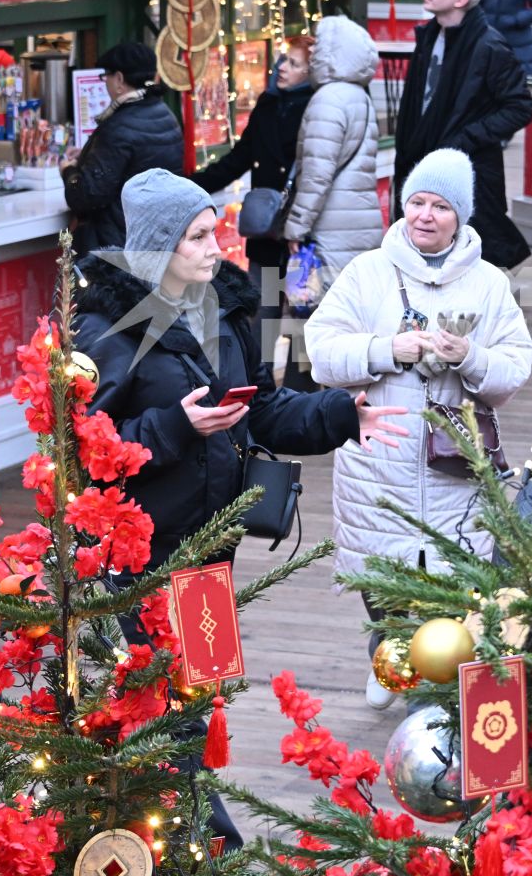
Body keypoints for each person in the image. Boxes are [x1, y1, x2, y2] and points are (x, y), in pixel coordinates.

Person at [75, 168, 409, 581]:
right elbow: (83, 449)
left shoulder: (226, 313)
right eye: (197, 237)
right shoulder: (105, 329)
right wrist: (176, 426)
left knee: (210, 647)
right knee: (158, 648)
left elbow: (262, 407)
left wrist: (338, 413)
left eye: (214, 232)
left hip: (215, 541)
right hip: (137, 552)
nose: (215, 249)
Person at [304, 149, 532, 708]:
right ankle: (387, 652)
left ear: (461, 216)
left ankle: (438, 686)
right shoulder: (367, 273)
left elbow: (513, 370)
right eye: (416, 202)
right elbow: (321, 353)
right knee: (381, 568)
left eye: (439, 206)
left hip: (456, 459)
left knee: (459, 577)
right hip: (378, 452)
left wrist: (471, 357)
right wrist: (387, 349)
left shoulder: (488, 284)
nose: (425, 215)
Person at [394, 0, 532, 269]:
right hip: (421, 161)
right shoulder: (429, 36)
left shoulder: (490, 46)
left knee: (471, 254)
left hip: (468, 168)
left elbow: (519, 107)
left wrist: (467, 138)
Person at [192, 33, 316, 315]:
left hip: (301, 234)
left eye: (294, 64)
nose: (282, 67)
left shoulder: (318, 109)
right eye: (284, 59)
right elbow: (240, 158)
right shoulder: (268, 104)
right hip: (266, 229)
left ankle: (298, 360)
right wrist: (192, 185)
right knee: (264, 315)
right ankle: (263, 361)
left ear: (311, 73)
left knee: (302, 314)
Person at [283, 14, 384, 278]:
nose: (313, 49)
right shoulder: (360, 97)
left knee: (317, 310)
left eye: (320, 43)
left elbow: (317, 175)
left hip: (330, 229)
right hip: (360, 223)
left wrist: (296, 227)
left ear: (335, 50)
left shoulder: (327, 100)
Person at [62, 41, 184, 255]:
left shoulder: (117, 127)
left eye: (106, 77)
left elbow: (85, 196)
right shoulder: (166, 114)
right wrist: (90, 155)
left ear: (119, 80)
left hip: (119, 247)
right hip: (158, 242)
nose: (106, 84)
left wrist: (69, 170)